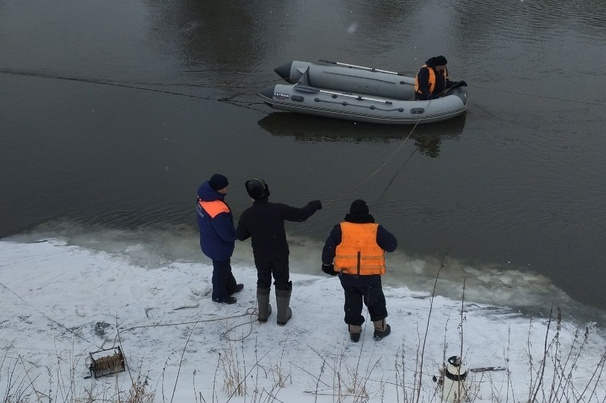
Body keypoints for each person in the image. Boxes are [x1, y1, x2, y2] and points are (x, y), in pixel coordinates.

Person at [236, 178, 322, 326]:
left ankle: (263, 314)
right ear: (266, 192)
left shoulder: (247, 214)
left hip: (260, 253)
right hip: (279, 253)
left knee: (263, 279)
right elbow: (301, 215)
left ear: (251, 196)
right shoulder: (277, 209)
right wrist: (314, 205)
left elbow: (241, 236)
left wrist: (256, 227)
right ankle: (282, 316)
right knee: (282, 280)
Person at [321, 199, 397, 342]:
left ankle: (354, 332)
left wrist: (326, 264)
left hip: (348, 276)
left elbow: (328, 249)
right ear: (367, 213)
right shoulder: (376, 229)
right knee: (375, 301)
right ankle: (380, 330)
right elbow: (392, 245)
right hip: (371, 277)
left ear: (350, 212)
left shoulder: (340, 229)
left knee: (352, 302)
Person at [196, 173, 243, 304]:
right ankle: (219, 295)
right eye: (225, 186)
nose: (228, 188)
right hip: (218, 245)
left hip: (208, 240)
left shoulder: (203, 198)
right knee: (220, 271)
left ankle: (231, 287)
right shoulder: (218, 210)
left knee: (223, 266)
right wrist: (238, 234)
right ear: (218, 189)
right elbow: (227, 234)